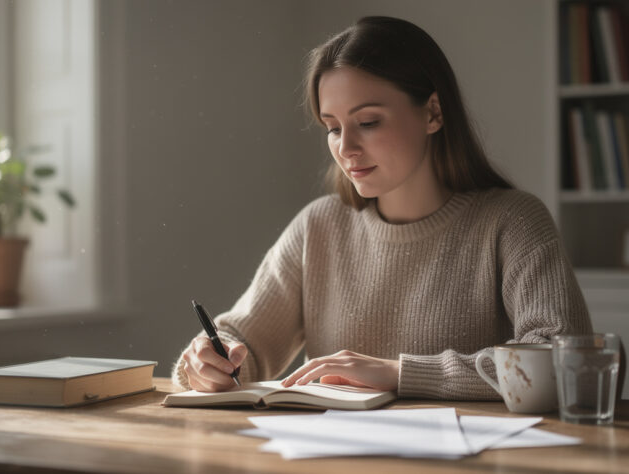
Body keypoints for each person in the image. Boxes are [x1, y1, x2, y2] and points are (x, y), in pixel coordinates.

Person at [172, 16, 592, 399]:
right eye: (332, 128)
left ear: (433, 112)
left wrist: (398, 373)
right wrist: (209, 364)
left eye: (368, 122)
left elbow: (564, 361)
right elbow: (241, 342)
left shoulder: (513, 221)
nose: (347, 148)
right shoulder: (317, 227)